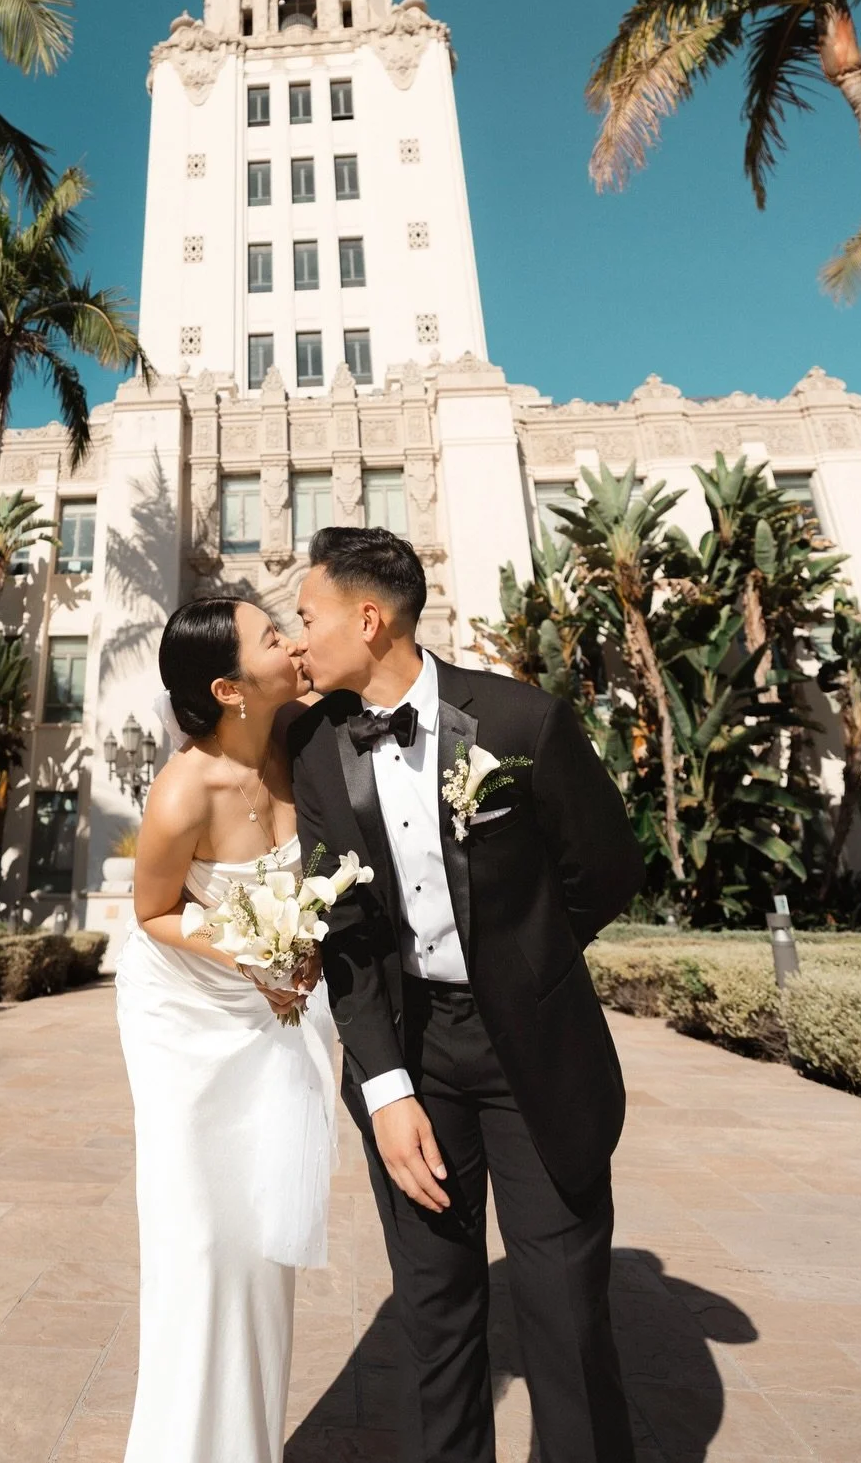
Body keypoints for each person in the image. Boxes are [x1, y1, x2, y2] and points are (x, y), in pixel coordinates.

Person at [290, 526, 645, 1463]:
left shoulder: (523, 722)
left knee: (564, 1311)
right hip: (413, 1058)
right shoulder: (320, 753)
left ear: (369, 620)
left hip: (534, 1044)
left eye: (308, 617)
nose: (298, 639)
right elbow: (345, 936)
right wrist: (386, 1088)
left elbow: (606, 866)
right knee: (437, 1313)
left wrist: (526, 959)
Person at [114, 597, 336, 1463]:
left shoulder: (304, 737)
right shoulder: (182, 791)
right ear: (227, 686)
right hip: (187, 1022)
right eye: (272, 637)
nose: (290, 643)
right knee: (203, 1239)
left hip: (277, 1014)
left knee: (262, 1239)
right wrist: (252, 952)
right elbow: (154, 913)